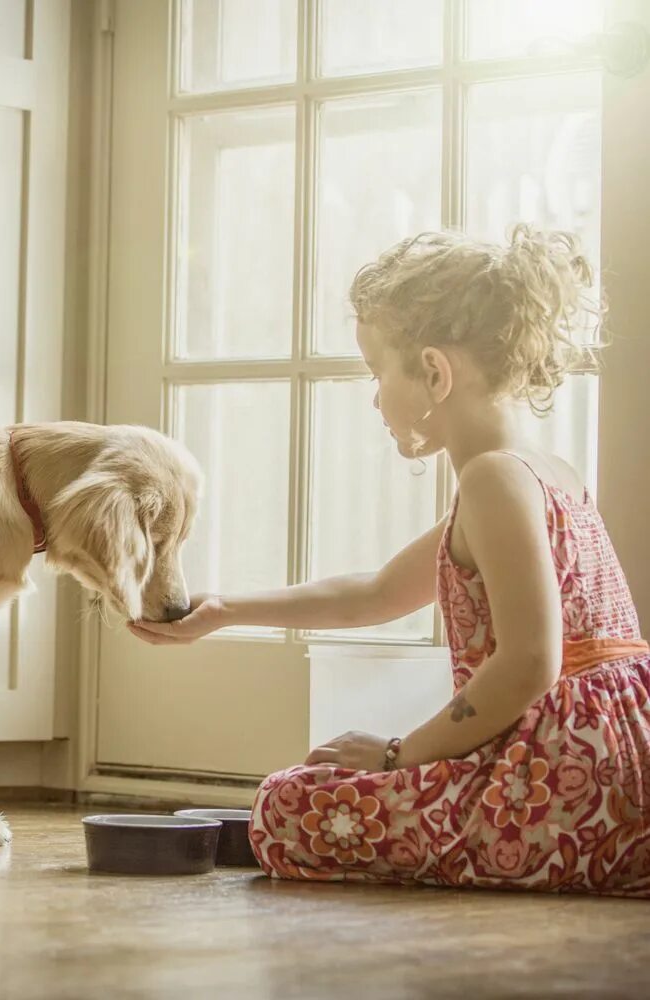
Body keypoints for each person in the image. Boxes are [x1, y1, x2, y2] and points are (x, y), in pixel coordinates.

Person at [132, 225, 650, 896]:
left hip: (564, 790)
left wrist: (396, 755)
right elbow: (375, 593)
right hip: (616, 774)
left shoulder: (493, 481)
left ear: (434, 372)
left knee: (287, 806)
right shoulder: (544, 472)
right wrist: (225, 610)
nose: (375, 397)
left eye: (378, 372)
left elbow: (529, 662)